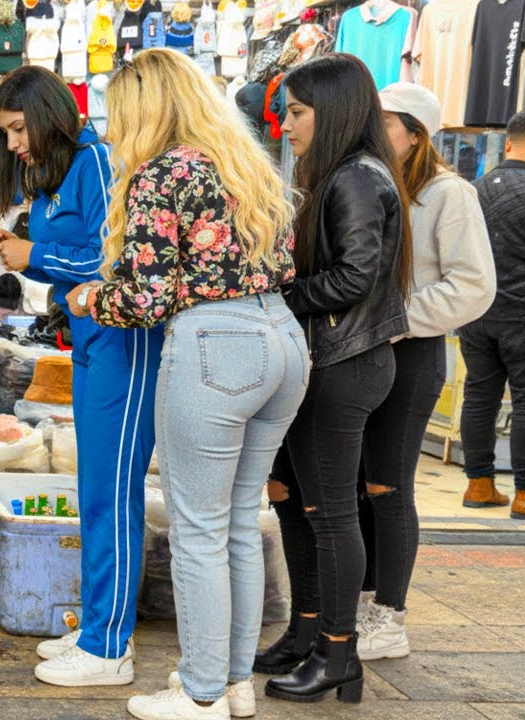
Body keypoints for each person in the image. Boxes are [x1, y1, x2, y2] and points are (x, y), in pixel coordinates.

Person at [65, 48, 306, 719]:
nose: (112, 129)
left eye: (117, 112)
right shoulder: (242, 164)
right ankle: (233, 684)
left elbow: (145, 300)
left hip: (216, 347)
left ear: (146, 109)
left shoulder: (161, 172)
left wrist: (88, 300)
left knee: (198, 530)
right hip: (282, 339)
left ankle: (200, 694)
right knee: (237, 525)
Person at [0, 64, 162, 688]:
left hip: (124, 339)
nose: (11, 144)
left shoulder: (98, 161)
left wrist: (33, 255)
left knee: (113, 492)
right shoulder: (52, 173)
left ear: (45, 113)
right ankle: (96, 627)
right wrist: (17, 241)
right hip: (87, 341)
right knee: (93, 489)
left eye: (14, 129)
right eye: (4, 134)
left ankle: (111, 646)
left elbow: (117, 256)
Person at [260, 53, 412, 704]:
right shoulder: (347, 173)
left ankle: (339, 655)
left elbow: (354, 277)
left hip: (343, 365)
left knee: (330, 517)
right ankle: (307, 634)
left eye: (296, 113)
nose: (285, 126)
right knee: (298, 506)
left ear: (334, 110)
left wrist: (275, 297)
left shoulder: (355, 177)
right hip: (329, 360)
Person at [354, 83, 496, 662]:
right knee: (357, 487)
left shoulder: (448, 193)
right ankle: (362, 603)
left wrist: (397, 320)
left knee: (389, 485)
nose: (378, 133)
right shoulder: (368, 182)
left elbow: (473, 285)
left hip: (411, 352)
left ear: (417, 133)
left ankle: (390, 616)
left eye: (389, 124)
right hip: (359, 352)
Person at [458, 111, 525, 521]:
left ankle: (479, 484)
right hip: (522, 316)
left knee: (479, 396)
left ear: (509, 143)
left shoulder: (475, 190)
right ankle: (522, 495)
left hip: (477, 314)